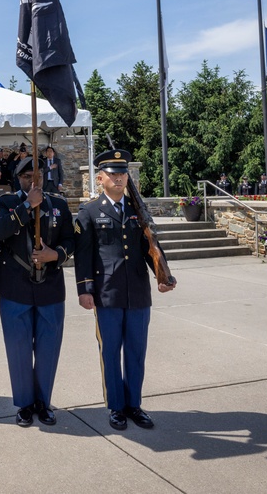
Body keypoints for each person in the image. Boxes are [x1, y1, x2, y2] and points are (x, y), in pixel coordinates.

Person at [74, 148, 176, 431]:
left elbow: (148, 248)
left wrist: (162, 275)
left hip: (138, 293)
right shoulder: (90, 211)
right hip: (107, 294)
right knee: (110, 353)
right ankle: (116, 407)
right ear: (100, 178)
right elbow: (84, 255)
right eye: (113, 174)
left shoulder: (136, 212)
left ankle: (134, 405)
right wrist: (85, 289)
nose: (119, 178)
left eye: (122, 174)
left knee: (136, 352)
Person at [0, 155, 74, 427]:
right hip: (15, 288)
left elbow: (71, 240)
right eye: (26, 176)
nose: (32, 180)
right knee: (19, 350)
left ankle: (43, 402)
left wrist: (55, 255)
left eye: (36, 175)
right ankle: (25, 404)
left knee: (49, 349)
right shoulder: (5, 203)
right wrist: (27, 206)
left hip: (50, 287)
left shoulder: (59, 204)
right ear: (18, 178)